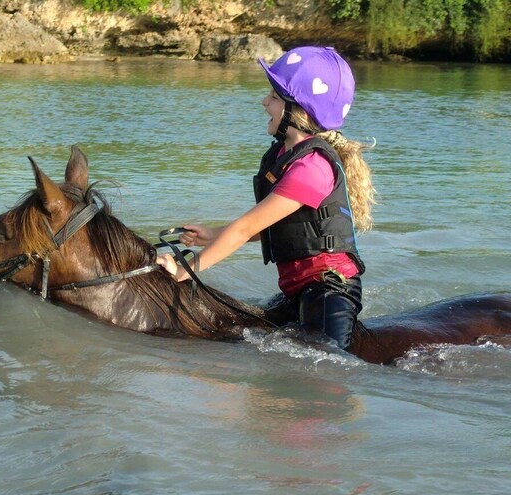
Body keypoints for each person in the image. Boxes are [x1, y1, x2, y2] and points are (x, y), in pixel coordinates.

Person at [156, 46, 376, 351]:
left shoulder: (312, 168)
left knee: (327, 368)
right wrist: (212, 235)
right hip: (297, 290)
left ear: (298, 112)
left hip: (329, 291)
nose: (264, 102)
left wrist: (185, 269)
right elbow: (277, 225)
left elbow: (245, 228)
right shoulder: (284, 156)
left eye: (273, 97)